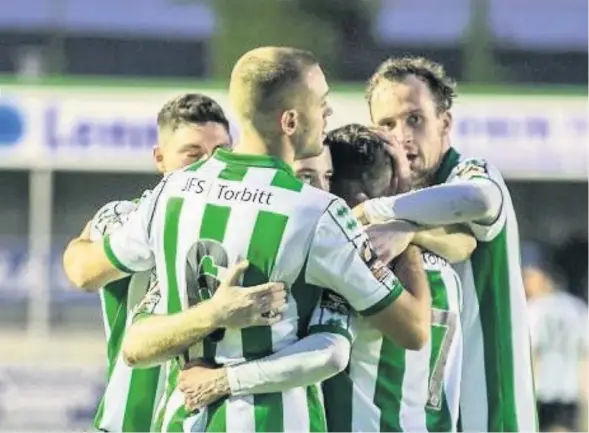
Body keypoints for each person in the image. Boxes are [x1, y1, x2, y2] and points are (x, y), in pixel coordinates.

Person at [62, 47, 431, 433]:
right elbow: (412, 329)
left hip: (183, 420)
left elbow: (121, 325)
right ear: (290, 121)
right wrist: (402, 216)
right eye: (322, 103)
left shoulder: (170, 194)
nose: (328, 114)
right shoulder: (317, 214)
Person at [177, 126, 475, 432]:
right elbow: (468, 242)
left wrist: (220, 380)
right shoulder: (446, 267)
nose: (318, 190)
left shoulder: (346, 265)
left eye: (327, 179)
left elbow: (330, 352)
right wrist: (407, 219)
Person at [63, 93, 286, 432]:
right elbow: (81, 271)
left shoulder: (245, 224)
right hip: (130, 423)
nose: (211, 165)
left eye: (221, 153)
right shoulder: (128, 217)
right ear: (160, 158)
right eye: (193, 155)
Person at [354, 56, 537, 431]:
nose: (402, 136)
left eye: (415, 119)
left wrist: (372, 212)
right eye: (387, 124)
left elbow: (480, 201)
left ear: (445, 123)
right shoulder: (399, 202)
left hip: (490, 415)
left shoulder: (469, 172)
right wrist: (406, 228)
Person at [523, 243, 588, 432]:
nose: (525, 283)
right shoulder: (578, 308)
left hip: (541, 393)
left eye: (528, 276)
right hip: (570, 393)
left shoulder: (534, 308)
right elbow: (584, 358)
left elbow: (532, 355)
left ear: (544, 276)